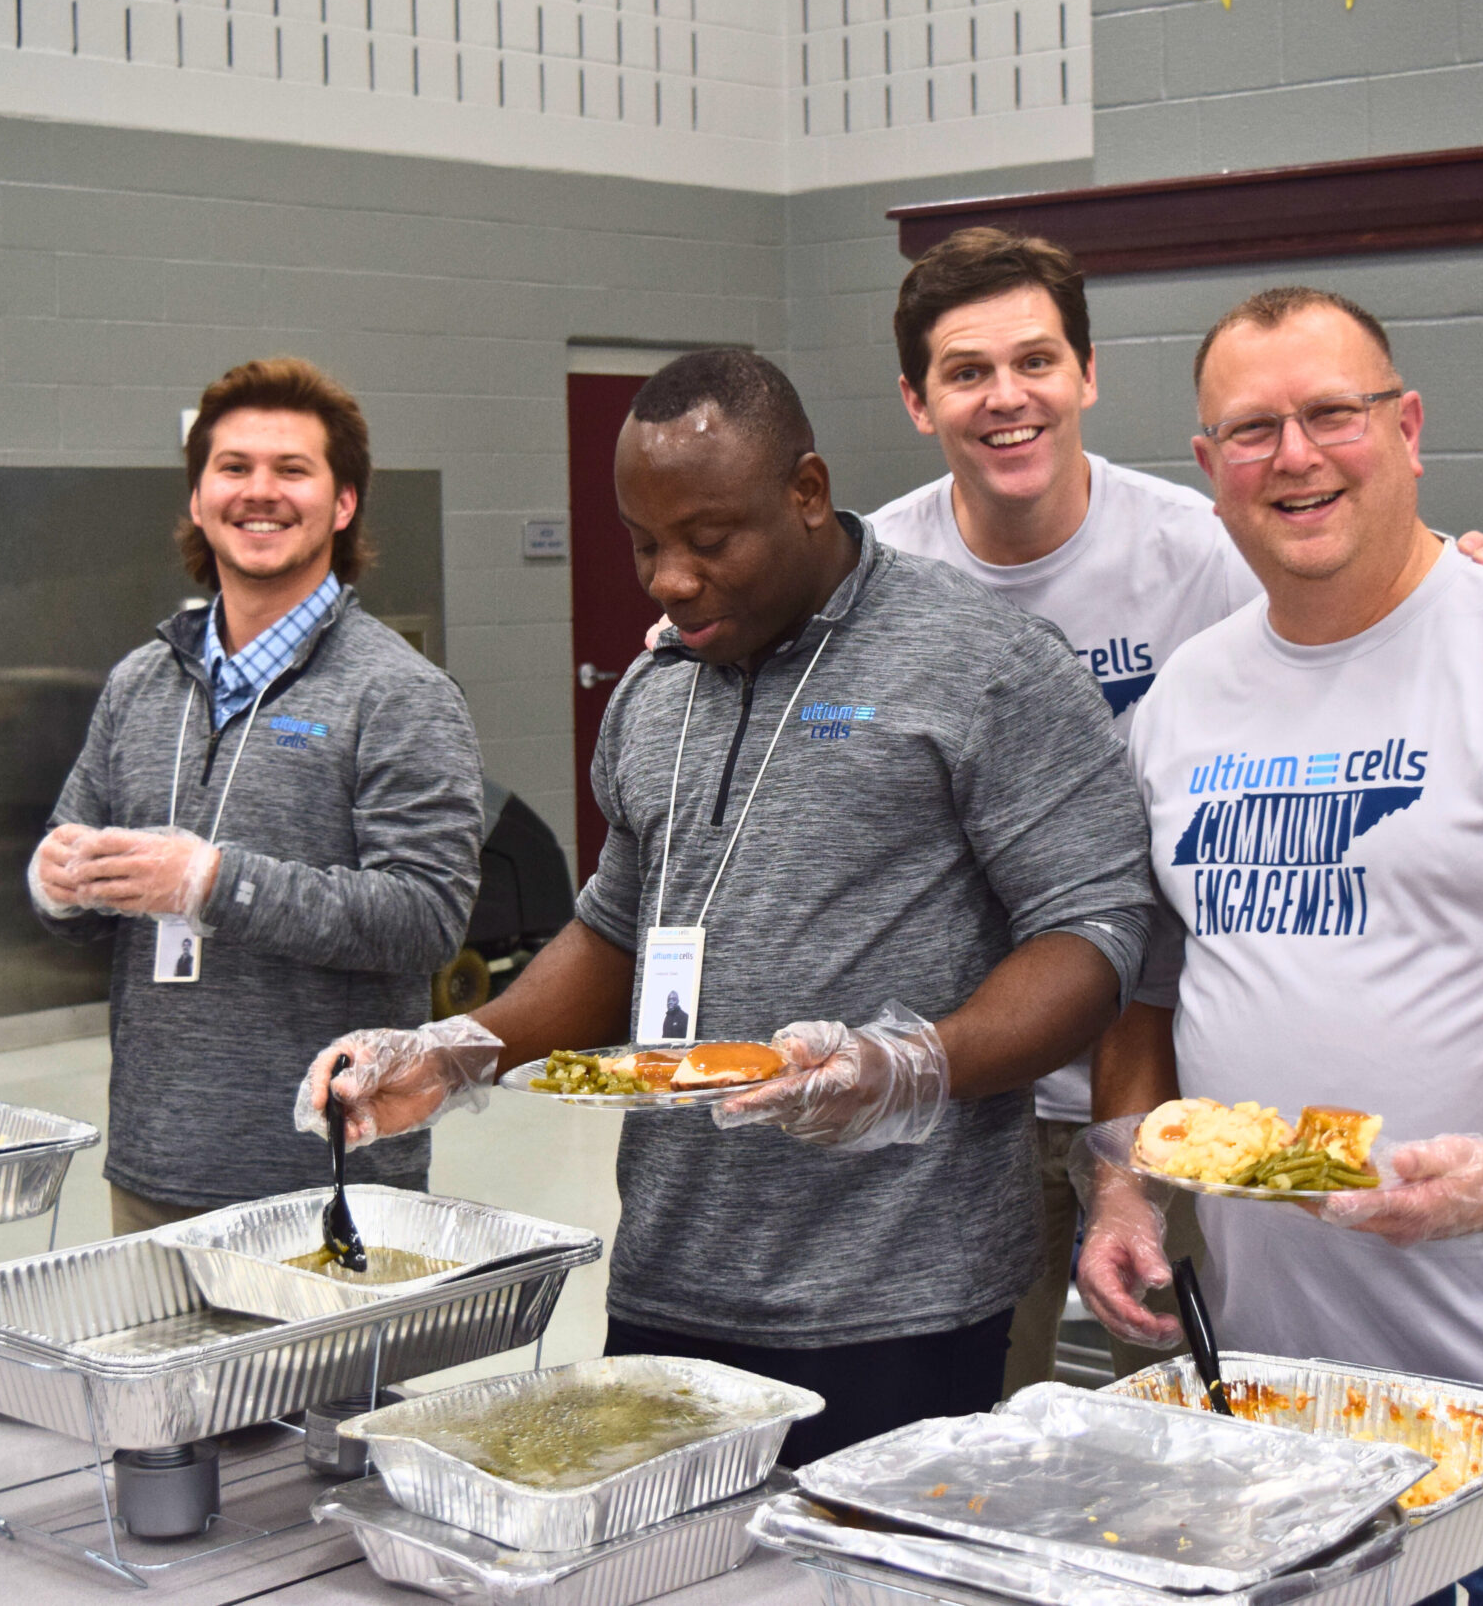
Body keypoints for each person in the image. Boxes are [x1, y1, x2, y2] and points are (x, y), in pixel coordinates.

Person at [301, 349, 1155, 1464]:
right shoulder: (656, 691)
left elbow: (1093, 933)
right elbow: (617, 926)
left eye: (709, 542)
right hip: (673, 1268)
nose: (669, 580)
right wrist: (462, 1048)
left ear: (805, 494)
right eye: (646, 543)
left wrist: (914, 1064)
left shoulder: (984, 661)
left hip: (896, 1293)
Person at [1078, 286, 1483, 1604]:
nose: (1298, 454)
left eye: (1334, 412)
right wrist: (1125, 1184)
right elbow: (1154, 985)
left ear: (1409, 426)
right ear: (1210, 470)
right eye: (1253, 429)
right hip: (1280, 1399)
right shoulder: (1181, 704)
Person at [871, 226, 1483, 1394]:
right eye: (966, 373)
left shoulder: (1206, 550)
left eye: (1035, 361)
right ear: (918, 404)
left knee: (1217, 1418)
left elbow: (1368, 583)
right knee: (976, 1423)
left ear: (1087, 374)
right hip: (961, 1097)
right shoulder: (869, 576)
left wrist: (1472, 580)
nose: (1006, 397)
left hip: (1166, 1085)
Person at [29, 357, 483, 1234]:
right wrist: (60, 883)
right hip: (155, 1162)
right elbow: (77, 902)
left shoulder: (399, 693)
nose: (259, 492)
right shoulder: (139, 682)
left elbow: (426, 917)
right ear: (198, 498)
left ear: (342, 503)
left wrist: (214, 885)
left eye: (292, 469)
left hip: (328, 1174)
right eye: (233, 468)